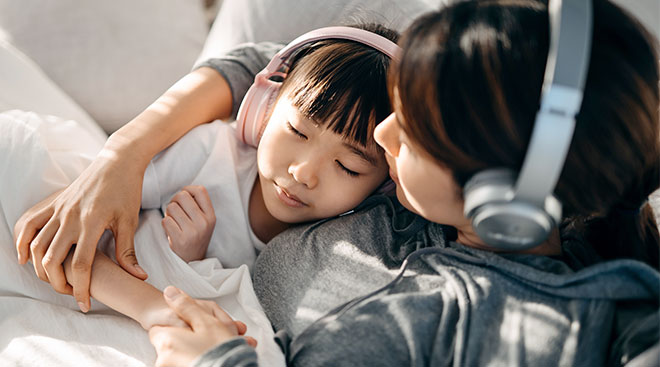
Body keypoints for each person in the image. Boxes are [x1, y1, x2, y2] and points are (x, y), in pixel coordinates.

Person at [145, 0, 660, 366]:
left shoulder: (505, 324)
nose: (382, 132)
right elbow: (306, 74)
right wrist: (126, 152)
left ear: (500, 197)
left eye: (413, 133)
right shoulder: (417, 200)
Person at [13, 25, 398, 312]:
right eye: (297, 130)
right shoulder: (209, 153)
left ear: (384, 184)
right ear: (263, 108)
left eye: (347, 167)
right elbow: (66, 223)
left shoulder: (328, 251)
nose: (303, 172)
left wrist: (191, 261)